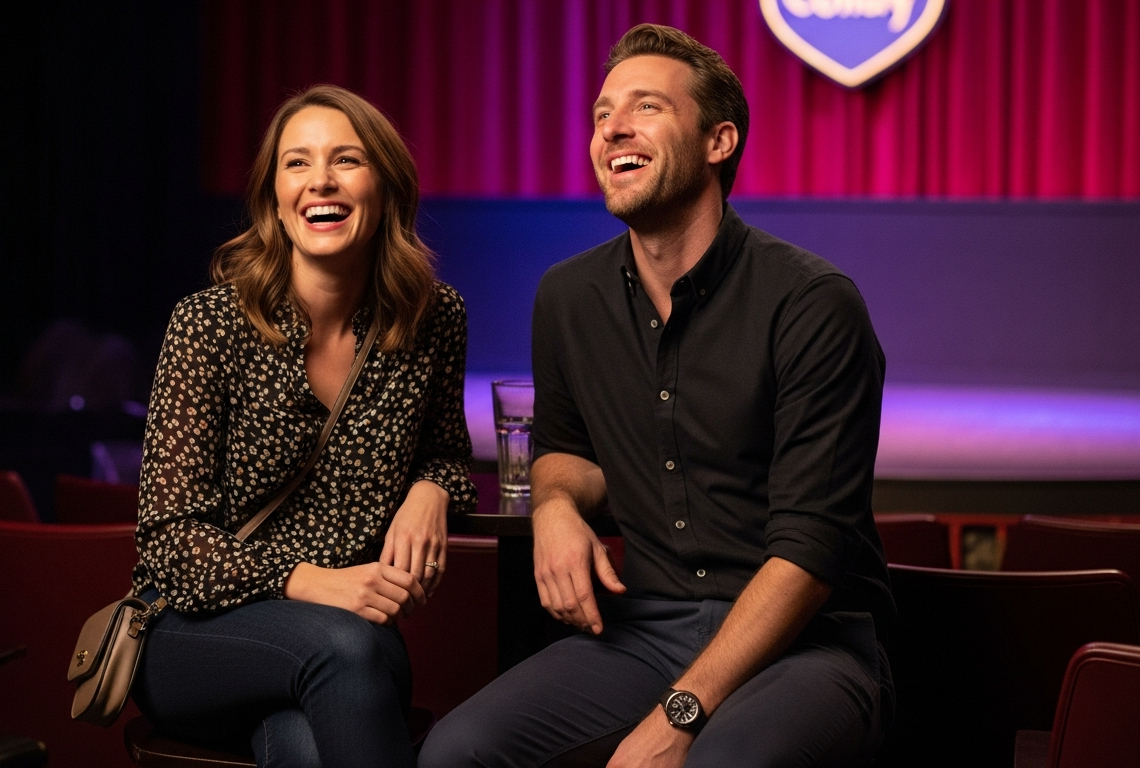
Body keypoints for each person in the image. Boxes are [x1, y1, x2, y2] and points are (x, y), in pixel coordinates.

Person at [420, 24, 893, 768]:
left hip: (806, 645)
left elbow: (809, 554)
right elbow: (566, 452)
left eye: (646, 107)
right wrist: (552, 506)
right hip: (643, 631)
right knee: (456, 753)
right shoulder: (567, 298)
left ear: (719, 141)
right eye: (603, 113)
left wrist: (680, 713)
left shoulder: (812, 303)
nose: (613, 128)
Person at [130, 84, 476, 768]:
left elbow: (445, 452)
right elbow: (169, 544)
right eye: (297, 163)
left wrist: (433, 488)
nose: (321, 180)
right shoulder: (208, 325)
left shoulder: (434, 318)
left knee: (303, 743)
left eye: (347, 160)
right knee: (343, 649)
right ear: (273, 200)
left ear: (384, 187)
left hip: (351, 644)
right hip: (195, 635)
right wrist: (313, 581)